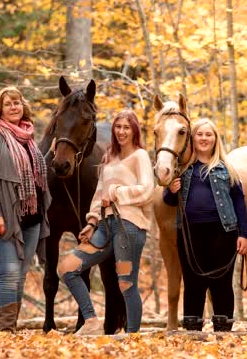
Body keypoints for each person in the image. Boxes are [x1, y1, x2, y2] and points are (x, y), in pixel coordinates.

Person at [57, 109, 154, 335]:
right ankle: (91, 321)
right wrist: (91, 222)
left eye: (126, 127)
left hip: (128, 227)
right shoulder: (109, 156)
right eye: (118, 127)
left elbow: (148, 190)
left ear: (134, 130)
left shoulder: (140, 156)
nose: (121, 132)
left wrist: (118, 192)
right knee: (68, 268)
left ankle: (132, 336)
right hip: (104, 226)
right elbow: (99, 194)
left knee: (126, 283)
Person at [0, 86, 51, 333]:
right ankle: (5, 331)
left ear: (23, 106)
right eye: (8, 104)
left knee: (19, 274)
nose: (14, 107)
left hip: (30, 218)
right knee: (8, 272)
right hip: (1, 217)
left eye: (17, 102)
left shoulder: (28, 138)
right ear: (0, 109)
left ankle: (13, 329)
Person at [163, 118, 247, 332]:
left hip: (223, 231)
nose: (204, 138)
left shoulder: (226, 167)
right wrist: (171, 190)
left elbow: (239, 200)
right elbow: (169, 201)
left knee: (221, 281)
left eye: (208, 134)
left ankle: (223, 331)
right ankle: (192, 331)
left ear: (215, 139)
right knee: (193, 282)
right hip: (190, 233)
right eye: (199, 134)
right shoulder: (182, 169)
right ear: (193, 138)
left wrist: (244, 234)